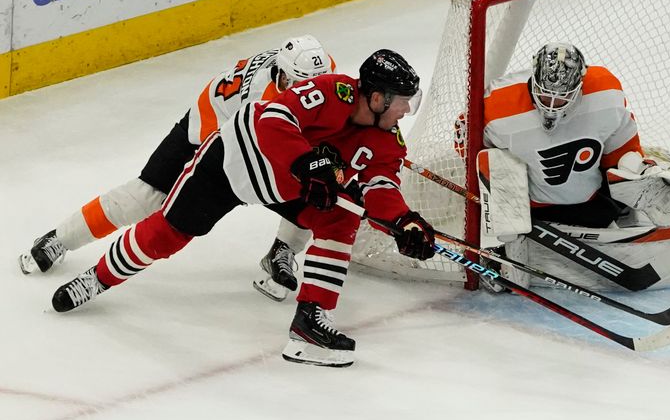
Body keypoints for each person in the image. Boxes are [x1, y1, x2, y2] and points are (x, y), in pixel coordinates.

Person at [49, 49, 437, 368]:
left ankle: (309, 323)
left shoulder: (389, 141)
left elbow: (381, 185)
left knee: (340, 218)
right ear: (376, 96)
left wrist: (403, 221)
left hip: (287, 183)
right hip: (236, 160)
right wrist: (306, 164)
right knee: (168, 234)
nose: (406, 110)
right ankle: (97, 278)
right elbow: (272, 117)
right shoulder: (333, 91)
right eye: (403, 101)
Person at [19, 35, 332, 291]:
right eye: (300, 83)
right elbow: (268, 154)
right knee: (146, 196)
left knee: (318, 188)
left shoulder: (313, 73)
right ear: (283, 73)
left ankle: (283, 250)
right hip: (210, 129)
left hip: (250, 133)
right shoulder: (265, 99)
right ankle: (59, 238)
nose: (310, 91)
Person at [482, 42, 670, 230]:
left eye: (562, 97)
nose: (552, 105)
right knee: (499, 164)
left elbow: (621, 147)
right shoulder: (499, 105)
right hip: (531, 212)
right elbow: (477, 151)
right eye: (545, 94)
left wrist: (639, 170)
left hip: (595, 204)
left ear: (580, 84)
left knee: (624, 172)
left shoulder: (603, 94)